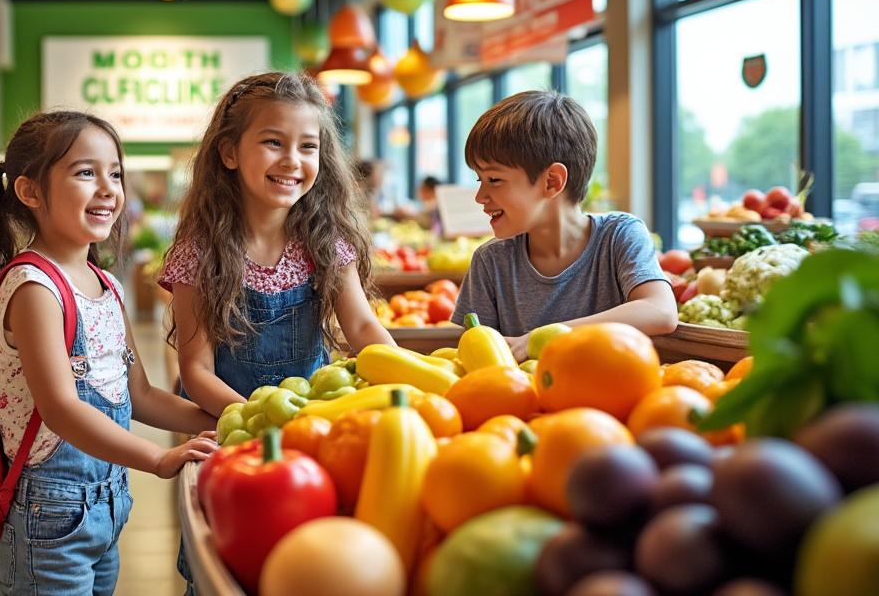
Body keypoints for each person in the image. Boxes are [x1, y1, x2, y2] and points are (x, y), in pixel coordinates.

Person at [0, 110, 217, 595]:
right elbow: (62, 408)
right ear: (30, 192)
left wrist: (222, 421)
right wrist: (158, 459)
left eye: (114, 172)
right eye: (85, 172)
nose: (107, 188)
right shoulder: (33, 286)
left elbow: (139, 394)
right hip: (49, 513)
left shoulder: (108, 286)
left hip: (106, 503)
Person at [162, 72, 397, 416]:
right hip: (232, 427)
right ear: (229, 153)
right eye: (273, 142)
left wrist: (405, 382)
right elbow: (196, 371)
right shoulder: (199, 252)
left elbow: (362, 328)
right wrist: (260, 421)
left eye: (307, 146)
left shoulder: (326, 243)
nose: (292, 160)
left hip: (313, 424)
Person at [451, 90, 678, 358]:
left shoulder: (619, 235)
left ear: (552, 182)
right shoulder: (490, 262)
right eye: (480, 181)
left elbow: (661, 311)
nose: (480, 197)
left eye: (494, 180)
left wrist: (541, 339)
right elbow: (474, 357)